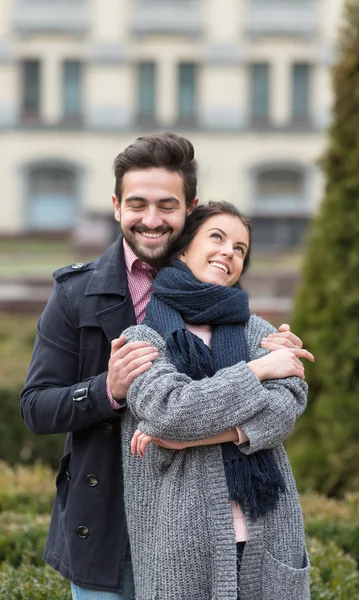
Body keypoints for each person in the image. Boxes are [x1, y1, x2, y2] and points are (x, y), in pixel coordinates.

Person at [21, 133, 309, 599]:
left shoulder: (231, 306)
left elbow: (284, 403)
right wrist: (107, 390)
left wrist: (276, 358)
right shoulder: (76, 294)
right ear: (116, 206)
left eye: (166, 206)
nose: (151, 220)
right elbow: (35, 407)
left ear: (189, 209)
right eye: (137, 204)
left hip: (205, 522)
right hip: (108, 521)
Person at [121, 201, 312, 600]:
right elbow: (171, 411)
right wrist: (257, 371)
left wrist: (189, 440)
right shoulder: (144, 338)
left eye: (240, 249)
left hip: (269, 532)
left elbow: (285, 406)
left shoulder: (258, 331)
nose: (229, 251)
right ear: (183, 249)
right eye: (218, 238)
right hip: (182, 545)